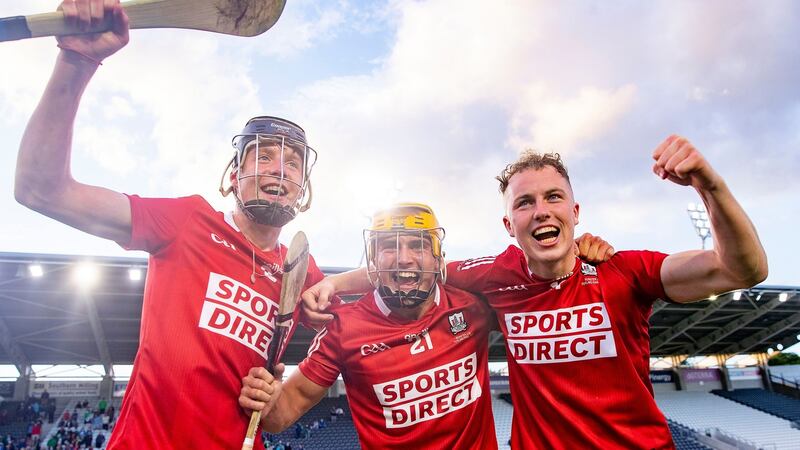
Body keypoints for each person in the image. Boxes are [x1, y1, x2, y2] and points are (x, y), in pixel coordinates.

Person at [303, 137, 768, 449]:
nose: (541, 210)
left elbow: (742, 268)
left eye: (553, 197)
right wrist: (334, 284)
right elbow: (407, 269)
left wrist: (711, 185)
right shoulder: (492, 275)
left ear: (575, 210)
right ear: (509, 224)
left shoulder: (622, 271)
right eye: (525, 202)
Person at [13, 1, 323, 448]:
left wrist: (277, 395)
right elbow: (40, 189)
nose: (280, 169)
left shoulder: (302, 273)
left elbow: (371, 315)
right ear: (233, 177)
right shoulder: (186, 222)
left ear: (301, 186)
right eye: (265, 156)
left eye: (292, 163)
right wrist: (76, 61)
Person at [239, 204, 501, 450]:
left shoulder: (473, 306)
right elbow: (281, 415)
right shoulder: (343, 328)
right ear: (372, 261)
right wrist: (268, 397)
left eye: (418, 245)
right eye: (389, 246)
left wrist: (338, 282)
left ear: (438, 259)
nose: (404, 258)